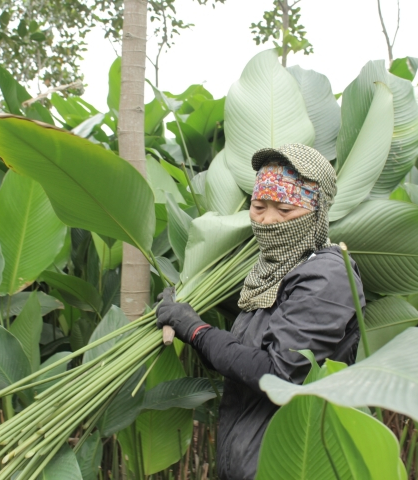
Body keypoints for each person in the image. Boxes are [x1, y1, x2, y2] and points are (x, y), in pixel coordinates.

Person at [156, 143, 365, 480]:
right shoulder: (268, 273)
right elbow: (241, 357)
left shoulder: (328, 275)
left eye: (284, 209)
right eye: (258, 206)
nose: (268, 221)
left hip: (293, 466)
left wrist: (195, 330)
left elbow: (279, 371)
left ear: (318, 213)